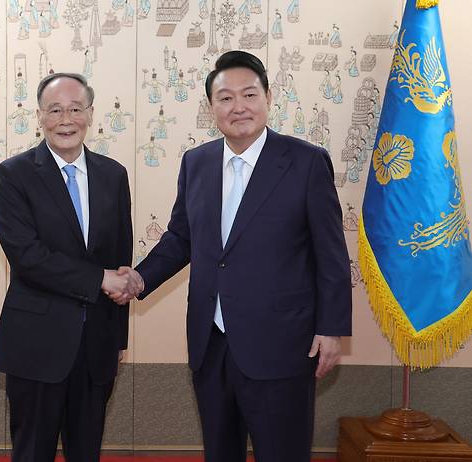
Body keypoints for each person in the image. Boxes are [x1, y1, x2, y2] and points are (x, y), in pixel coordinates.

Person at [115, 51, 351, 462]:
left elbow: (331, 254)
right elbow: (181, 237)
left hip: (282, 345)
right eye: (225, 98)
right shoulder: (197, 162)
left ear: (268, 97)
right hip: (212, 344)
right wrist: (138, 279)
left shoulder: (306, 162)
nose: (238, 106)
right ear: (211, 108)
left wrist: (332, 328)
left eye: (248, 94)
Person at [0, 72, 140, 462]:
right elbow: (27, 257)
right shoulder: (13, 175)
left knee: (86, 451)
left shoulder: (113, 175)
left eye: (75, 108)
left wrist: (118, 338)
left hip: (97, 347)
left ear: (90, 114)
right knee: (32, 451)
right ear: (40, 115)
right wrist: (99, 278)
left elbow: (120, 261)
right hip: (36, 344)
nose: (66, 119)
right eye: (55, 110)